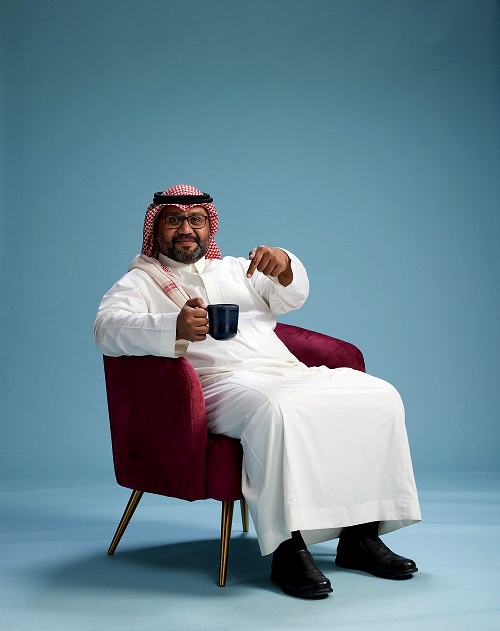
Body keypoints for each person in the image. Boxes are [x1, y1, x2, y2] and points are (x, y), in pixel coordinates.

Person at [94, 183, 422, 599]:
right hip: (214, 386)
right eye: (174, 220)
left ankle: (361, 536)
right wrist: (172, 326)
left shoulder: (237, 270)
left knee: (378, 396)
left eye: (195, 220)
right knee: (276, 408)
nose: (186, 229)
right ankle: (288, 549)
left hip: (284, 372)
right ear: (156, 228)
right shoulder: (140, 282)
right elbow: (106, 328)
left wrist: (285, 264)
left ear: (210, 226)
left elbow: (289, 297)